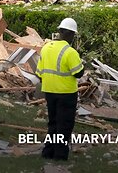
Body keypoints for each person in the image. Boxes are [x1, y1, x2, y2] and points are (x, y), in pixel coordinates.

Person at [36, 18, 84, 160]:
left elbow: (39, 73)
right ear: (71, 35)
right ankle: (60, 155)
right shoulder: (70, 52)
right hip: (66, 93)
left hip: (49, 92)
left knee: (53, 123)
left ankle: (48, 152)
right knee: (64, 125)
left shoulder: (46, 48)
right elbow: (78, 73)